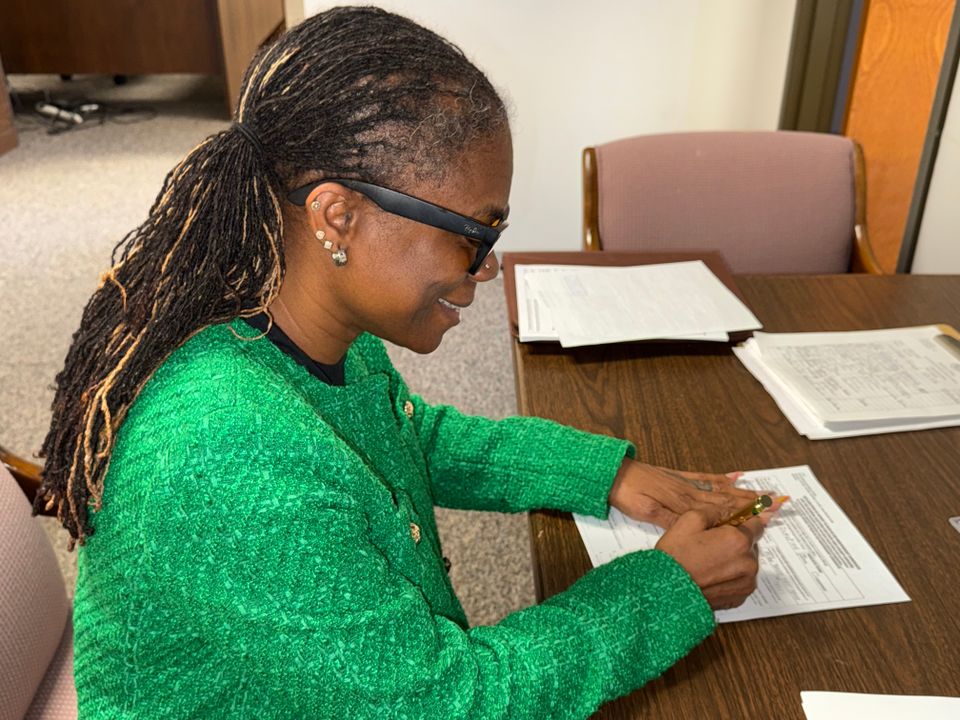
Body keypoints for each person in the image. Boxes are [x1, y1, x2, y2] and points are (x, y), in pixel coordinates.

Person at [37, 7, 768, 718]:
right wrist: (667, 587)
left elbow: (410, 438)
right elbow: (450, 702)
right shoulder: (228, 456)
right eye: (473, 235)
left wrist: (602, 474)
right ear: (336, 216)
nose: (485, 270)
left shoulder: (296, 320)